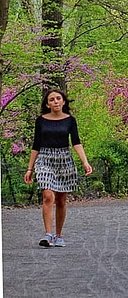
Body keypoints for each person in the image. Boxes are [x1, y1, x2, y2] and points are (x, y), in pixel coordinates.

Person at [23, 87, 93, 247]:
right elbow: (36, 145)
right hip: (45, 159)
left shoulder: (70, 120)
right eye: (51, 99)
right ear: (47, 104)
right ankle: (47, 234)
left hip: (64, 159)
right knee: (48, 196)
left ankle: (58, 235)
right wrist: (30, 168)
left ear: (63, 101)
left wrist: (85, 162)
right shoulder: (40, 121)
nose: (55, 101)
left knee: (61, 200)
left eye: (58, 98)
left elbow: (76, 142)